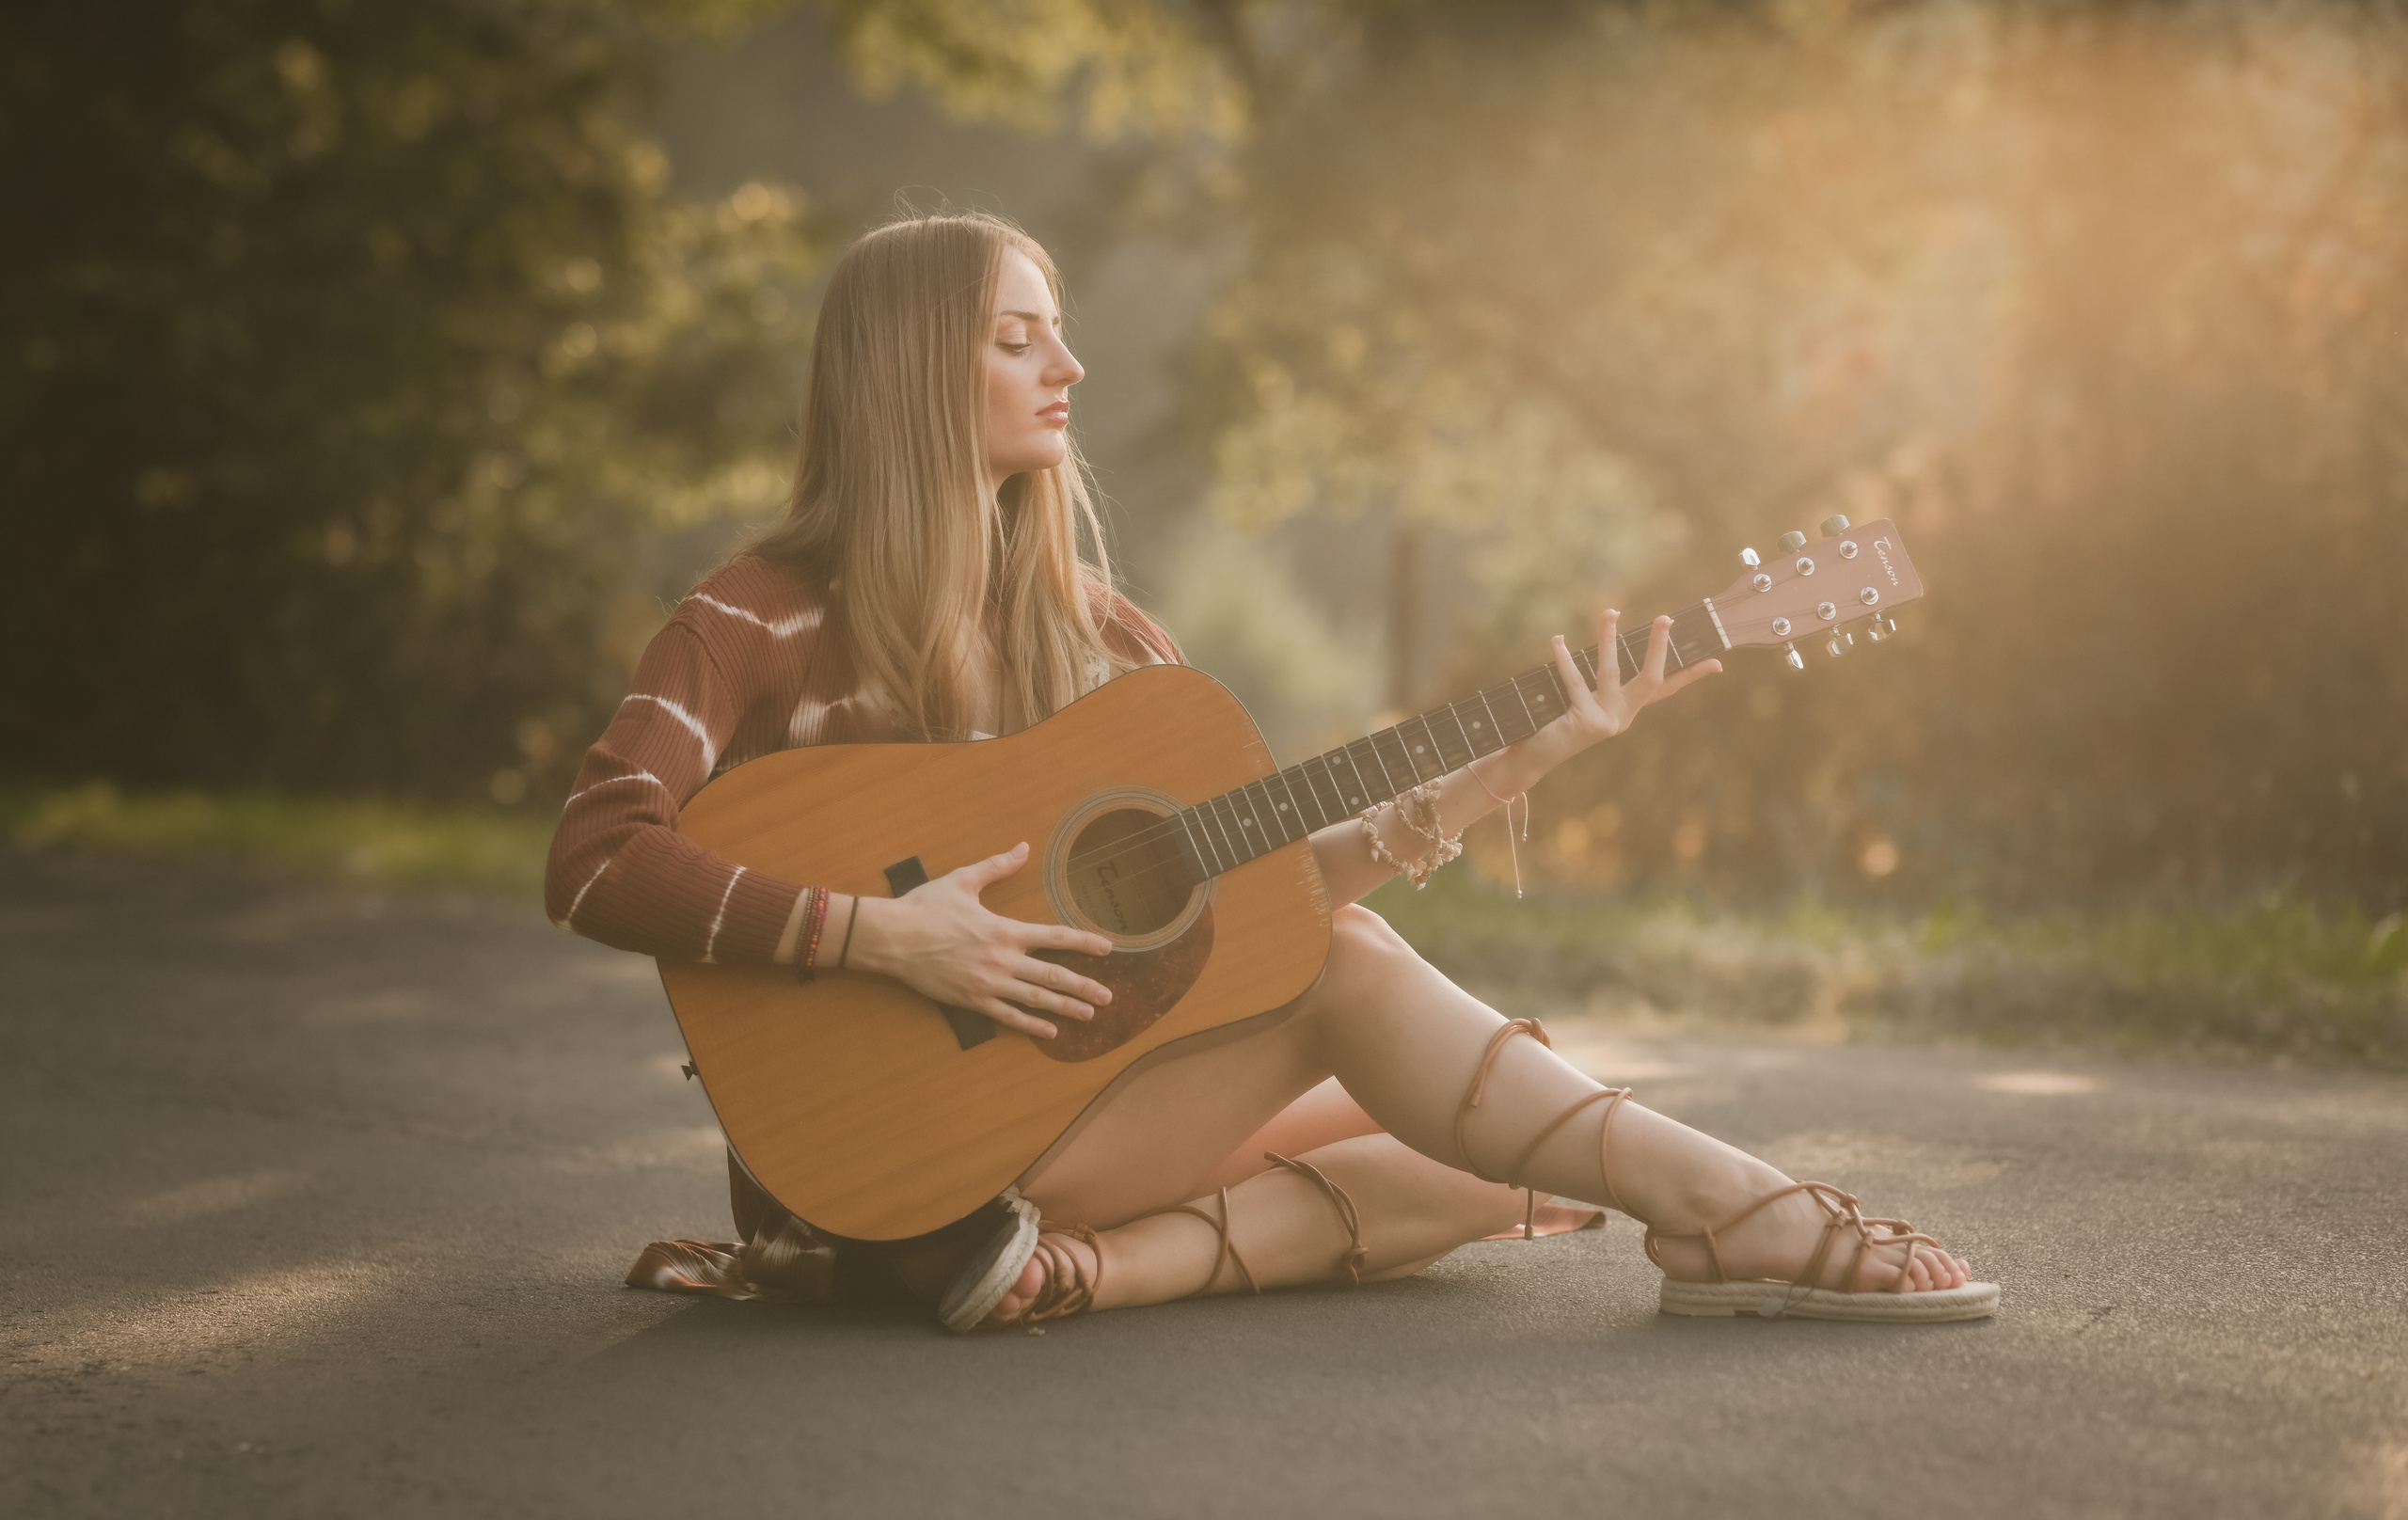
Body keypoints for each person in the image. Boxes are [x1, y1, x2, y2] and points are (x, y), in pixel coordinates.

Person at [547, 212, 1997, 1331]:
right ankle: (1738, 1211)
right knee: (1366, 985)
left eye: (1059, 335)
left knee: (1511, 1133)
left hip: (1071, 1129)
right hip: (883, 1166)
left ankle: (1083, 1276)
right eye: (1018, 338)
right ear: (913, 366)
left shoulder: (1101, 639)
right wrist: (888, 934)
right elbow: (596, 856)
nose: (1070, 368)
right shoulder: (755, 617)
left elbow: (1255, 917)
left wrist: (1524, 758)